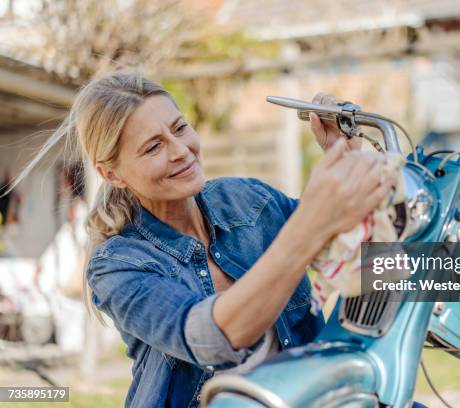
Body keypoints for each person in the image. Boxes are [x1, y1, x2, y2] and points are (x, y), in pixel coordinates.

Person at [8, 72, 395, 407]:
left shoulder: (249, 201)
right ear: (112, 174)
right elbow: (216, 338)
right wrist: (308, 225)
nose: (181, 151)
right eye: (153, 147)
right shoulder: (118, 265)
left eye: (179, 128)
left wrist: (342, 155)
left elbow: (358, 264)